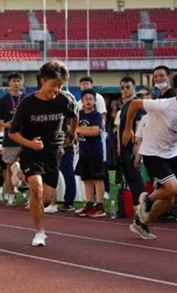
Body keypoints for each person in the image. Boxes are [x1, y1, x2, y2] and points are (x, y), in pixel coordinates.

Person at [122, 70, 177, 240]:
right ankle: (147, 198)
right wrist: (128, 129)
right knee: (172, 187)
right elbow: (135, 104)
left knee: (169, 200)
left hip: (174, 154)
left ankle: (141, 223)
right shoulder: (164, 104)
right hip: (153, 152)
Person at [8, 61, 77, 247]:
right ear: (42, 81)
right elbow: (12, 132)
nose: (56, 89)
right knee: (36, 188)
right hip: (32, 151)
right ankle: (39, 232)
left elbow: (74, 115)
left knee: (45, 200)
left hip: (54, 152)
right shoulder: (27, 104)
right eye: (53, 85)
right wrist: (29, 143)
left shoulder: (65, 100)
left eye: (60, 86)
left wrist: (72, 133)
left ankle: (20, 174)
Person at [0, 72, 24, 206]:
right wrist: (7, 124)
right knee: (9, 168)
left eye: (18, 80)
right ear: (9, 83)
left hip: (25, 139)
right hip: (10, 139)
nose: (16, 83)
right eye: (13, 81)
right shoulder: (3, 100)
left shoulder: (27, 99)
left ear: (21, 82)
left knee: (29, 168)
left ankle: (29, 195)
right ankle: (10, 196)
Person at [74, 89, 106, 217]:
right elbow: (70, 128)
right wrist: (80, 130)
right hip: (83, 152)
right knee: (86, 179)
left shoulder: (96, 115)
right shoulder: (79, 114)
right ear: (81, 101)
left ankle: (100, 206)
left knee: (97, 179)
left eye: (90, 99)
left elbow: (95, 131)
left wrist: (77, 130)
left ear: (95, 101)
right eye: (85, 99)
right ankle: (88, 204)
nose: (88, 101)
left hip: (95, 151)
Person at [116, 76, 146, 203]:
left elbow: (139, 125)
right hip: (124, 146)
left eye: (128, 87)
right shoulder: (124, 106)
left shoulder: (137, 104)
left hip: (133, 146)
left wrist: (137, 147)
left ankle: (142, 203)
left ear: (134, 88)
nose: (125, 90)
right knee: (128, 175)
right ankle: (135, 203)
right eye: (122, 88)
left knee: (135, 175)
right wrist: (118, 145)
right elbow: (120, 128)